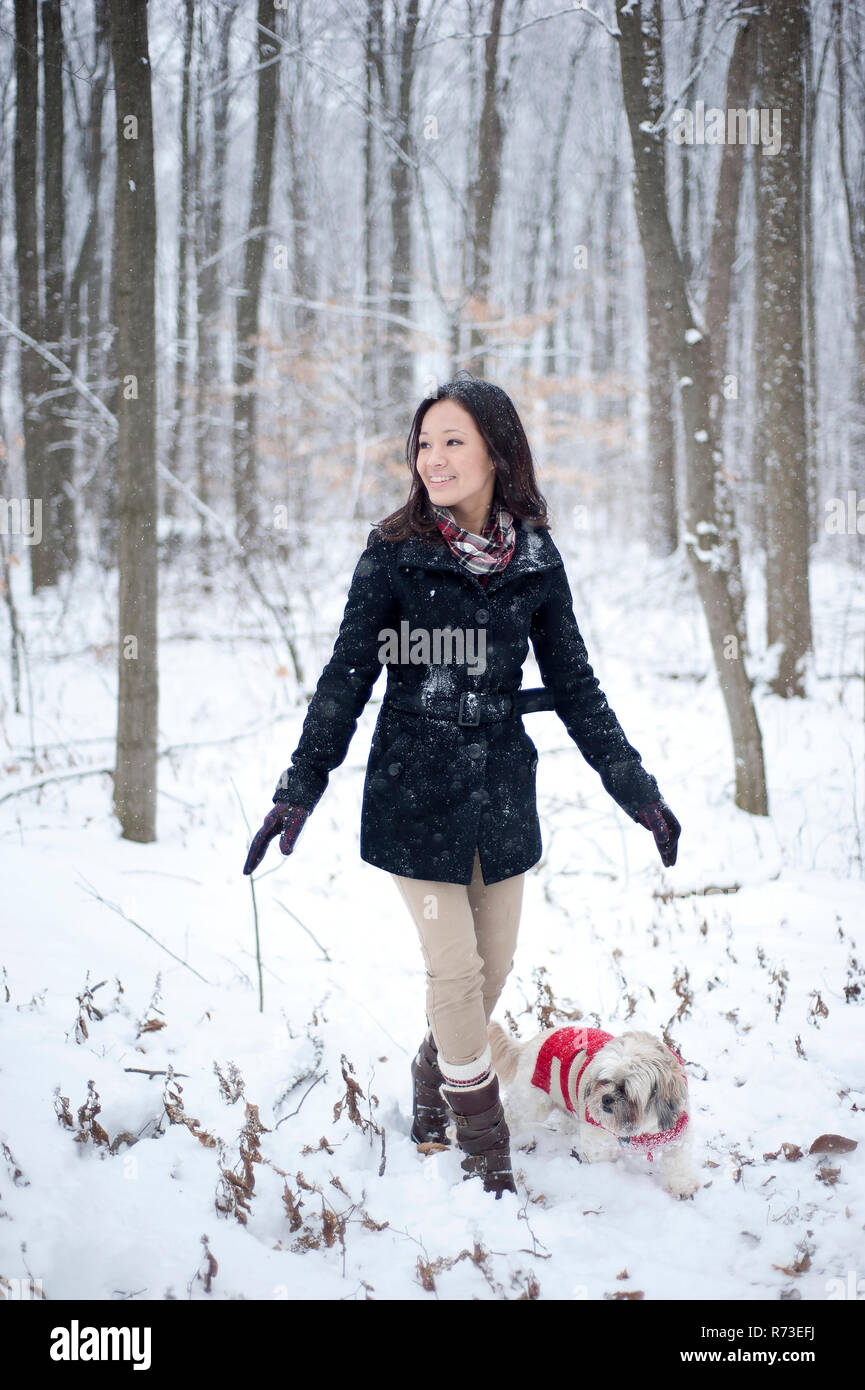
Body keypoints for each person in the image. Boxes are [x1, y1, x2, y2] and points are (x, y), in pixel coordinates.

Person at [243, 376, 681, 1199]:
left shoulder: (537, 558)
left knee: (493, 970)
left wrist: (637, 790)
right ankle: (486, 1156)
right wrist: (297, 789)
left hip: (502, 797)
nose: (432, 457)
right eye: (423, 442)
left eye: (452, 440)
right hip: (415, 793)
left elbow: (577, 686)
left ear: (495, 451)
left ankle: (432, 1076)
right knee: (453, 974)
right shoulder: (393, 551)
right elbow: (345, 678)